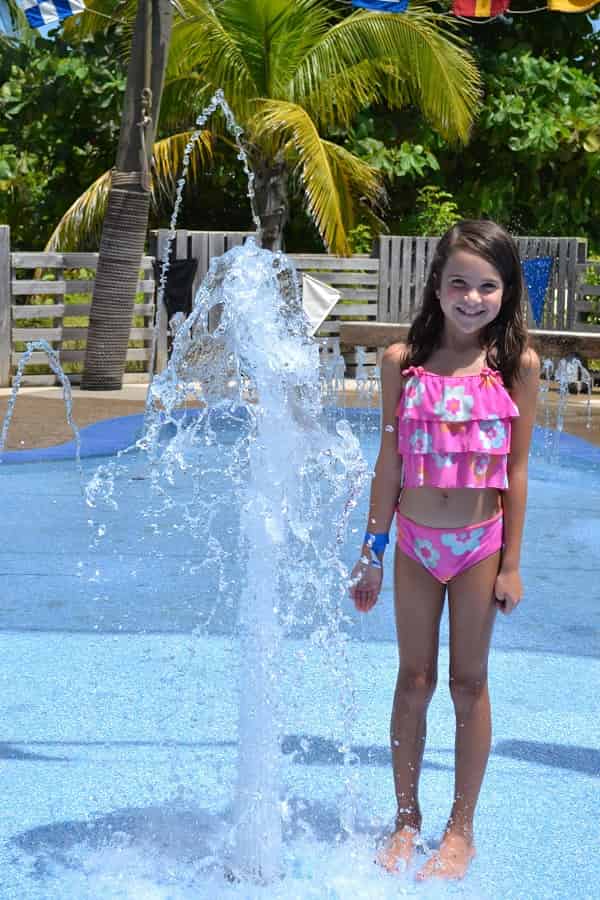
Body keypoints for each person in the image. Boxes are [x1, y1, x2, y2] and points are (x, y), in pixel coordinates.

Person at [349, 219, 539, 881]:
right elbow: (389, 460)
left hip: (479, 545)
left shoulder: (516, 368)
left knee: (468, 682)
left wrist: (511, 562)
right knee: (414, 680)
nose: (471, 296)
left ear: (506, 293)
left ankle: (462, 830)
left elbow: (515, 470)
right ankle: (406, 819)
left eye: (487, 285)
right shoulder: (403, 363)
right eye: (458, 281)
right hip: (415, 544)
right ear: (436, 285)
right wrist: (372, 550)